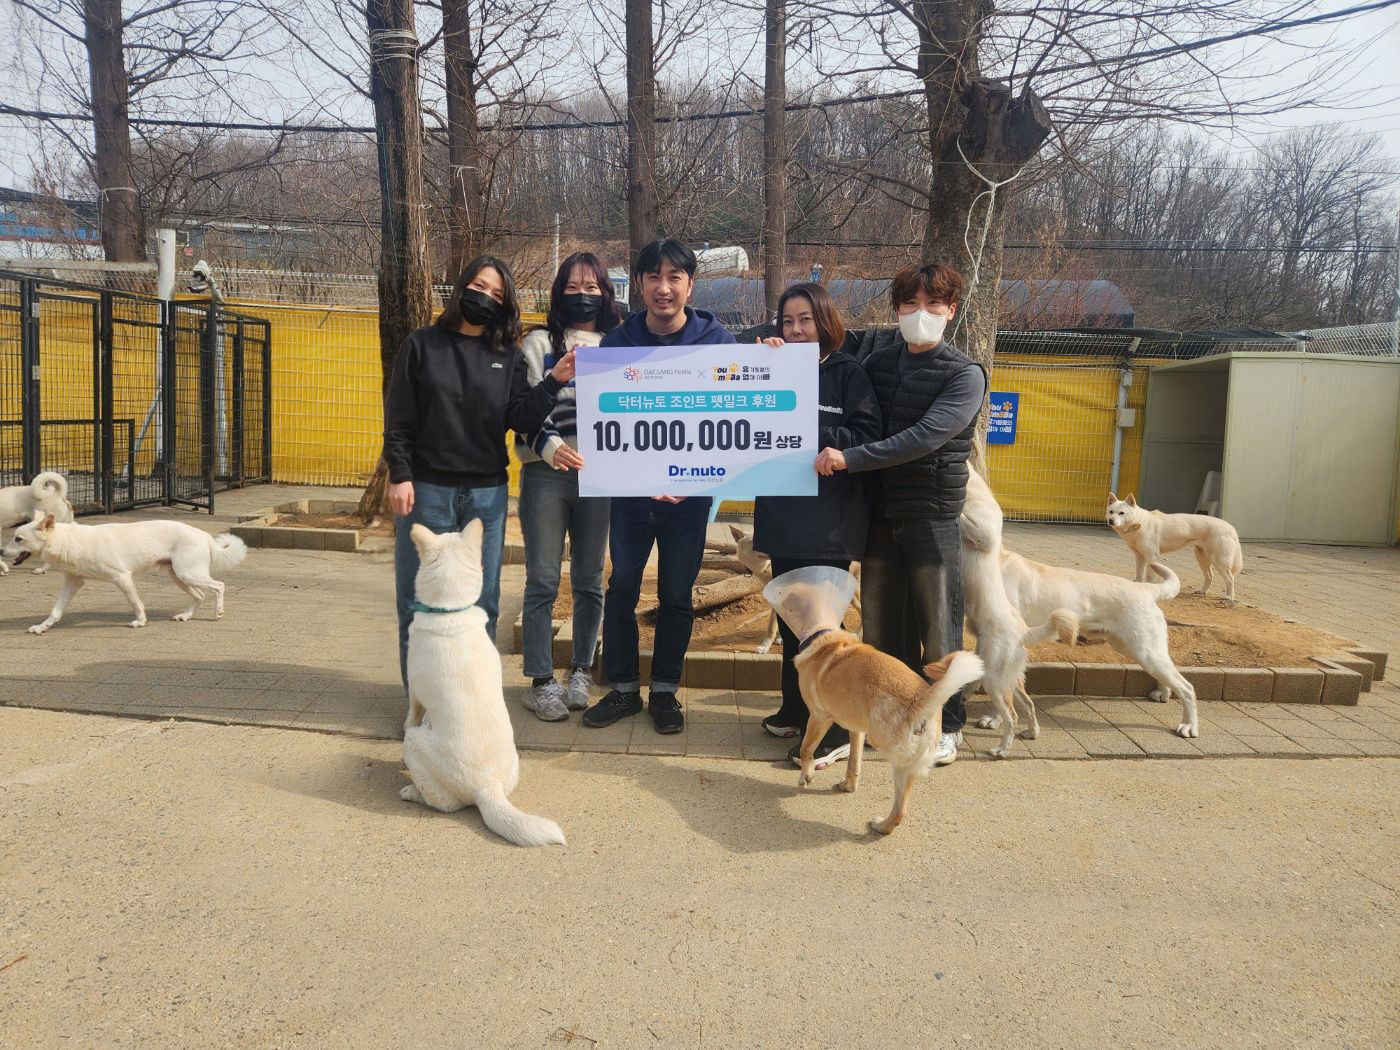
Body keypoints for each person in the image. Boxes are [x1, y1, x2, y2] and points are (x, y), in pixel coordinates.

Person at [813, 263, 986, 766]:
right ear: (896, 309)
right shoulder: (878, 360)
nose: (921, 314)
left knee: (940, 626)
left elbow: (926, 436)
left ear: (951, 311)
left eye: (934, 305)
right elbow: (820, 343)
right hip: (879, 514)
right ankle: (889, 716)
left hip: (932, 518)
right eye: (910, 304)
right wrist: (775, 350)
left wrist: (851, 458)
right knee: (882, 626)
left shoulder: (965, 374)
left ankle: (948, 724)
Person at [383, 254, 576, 688]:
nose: (485, 297)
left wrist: (555, 381)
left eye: (496, 293)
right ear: (461, 287)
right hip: (426, 491)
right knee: (418, 602)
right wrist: (400, 473)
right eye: (479, 286)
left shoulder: (504, 354)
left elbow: (523, 417)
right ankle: (422, 705)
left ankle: (475, 695)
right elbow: (399, 419)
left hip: (486, 498)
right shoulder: (421, 344)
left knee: (484, 603)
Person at [582, 238, 736, 735]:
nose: (663, 288)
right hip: (629, 499)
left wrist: (690, 480)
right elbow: (604, 425)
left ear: (691, 285)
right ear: (641, 284)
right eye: (654, 277)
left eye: (675, 278)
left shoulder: (718, 343)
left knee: (676, 594)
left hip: (688, 502)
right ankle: (624, 690)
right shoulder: (617, 344)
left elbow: (732, 422)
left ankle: (666, 691)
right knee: (622, 587)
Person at [751, 282, 882, 770]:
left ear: (825, 321)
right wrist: (761, 366)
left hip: (828, 521)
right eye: (787, 321)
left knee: (823, 630)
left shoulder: (850, 374)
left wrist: (815, 433)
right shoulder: (771, 368)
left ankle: (834, 733)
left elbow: (866, 435)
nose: (796, 329)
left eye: (805, 319)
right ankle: (796, 708)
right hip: (783, 517)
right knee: (792, 624)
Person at [516, 251, 623, 721]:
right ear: (559, 293)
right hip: (546, 476)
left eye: (592, 287)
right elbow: (523, 410)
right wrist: (550, 447)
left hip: (600, 478)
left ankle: (581, 670)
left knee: (588, 578)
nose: (583, 295)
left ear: (606, 292)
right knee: (542, 576)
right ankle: (541, 680)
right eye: (573, 287)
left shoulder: (621, 344)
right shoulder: (539, 343)